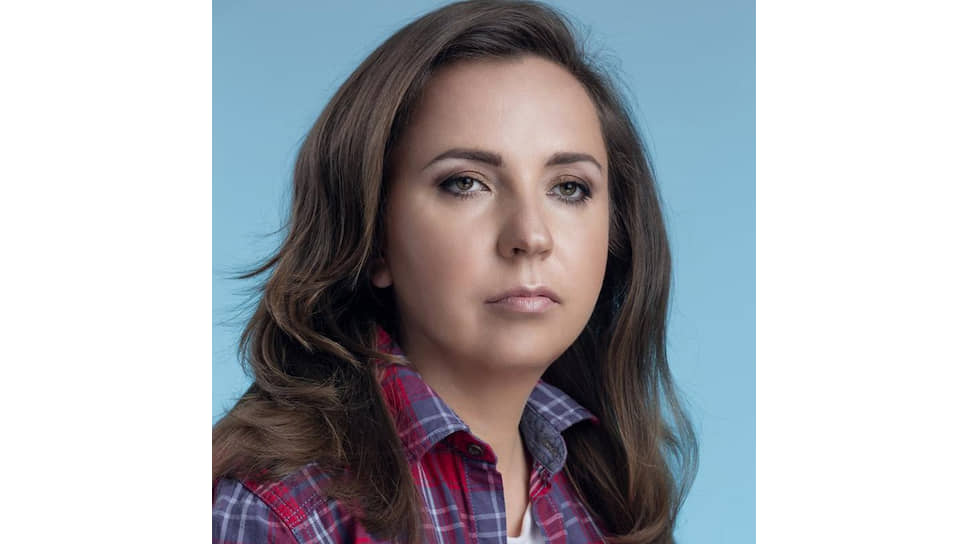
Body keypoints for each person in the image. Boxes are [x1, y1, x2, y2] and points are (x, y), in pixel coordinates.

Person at [212, 1, 697, 542]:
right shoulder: (279, 512)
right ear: (374, 234)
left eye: (568, 188)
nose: (531, 236)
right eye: (465, 183)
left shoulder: (610, 496)